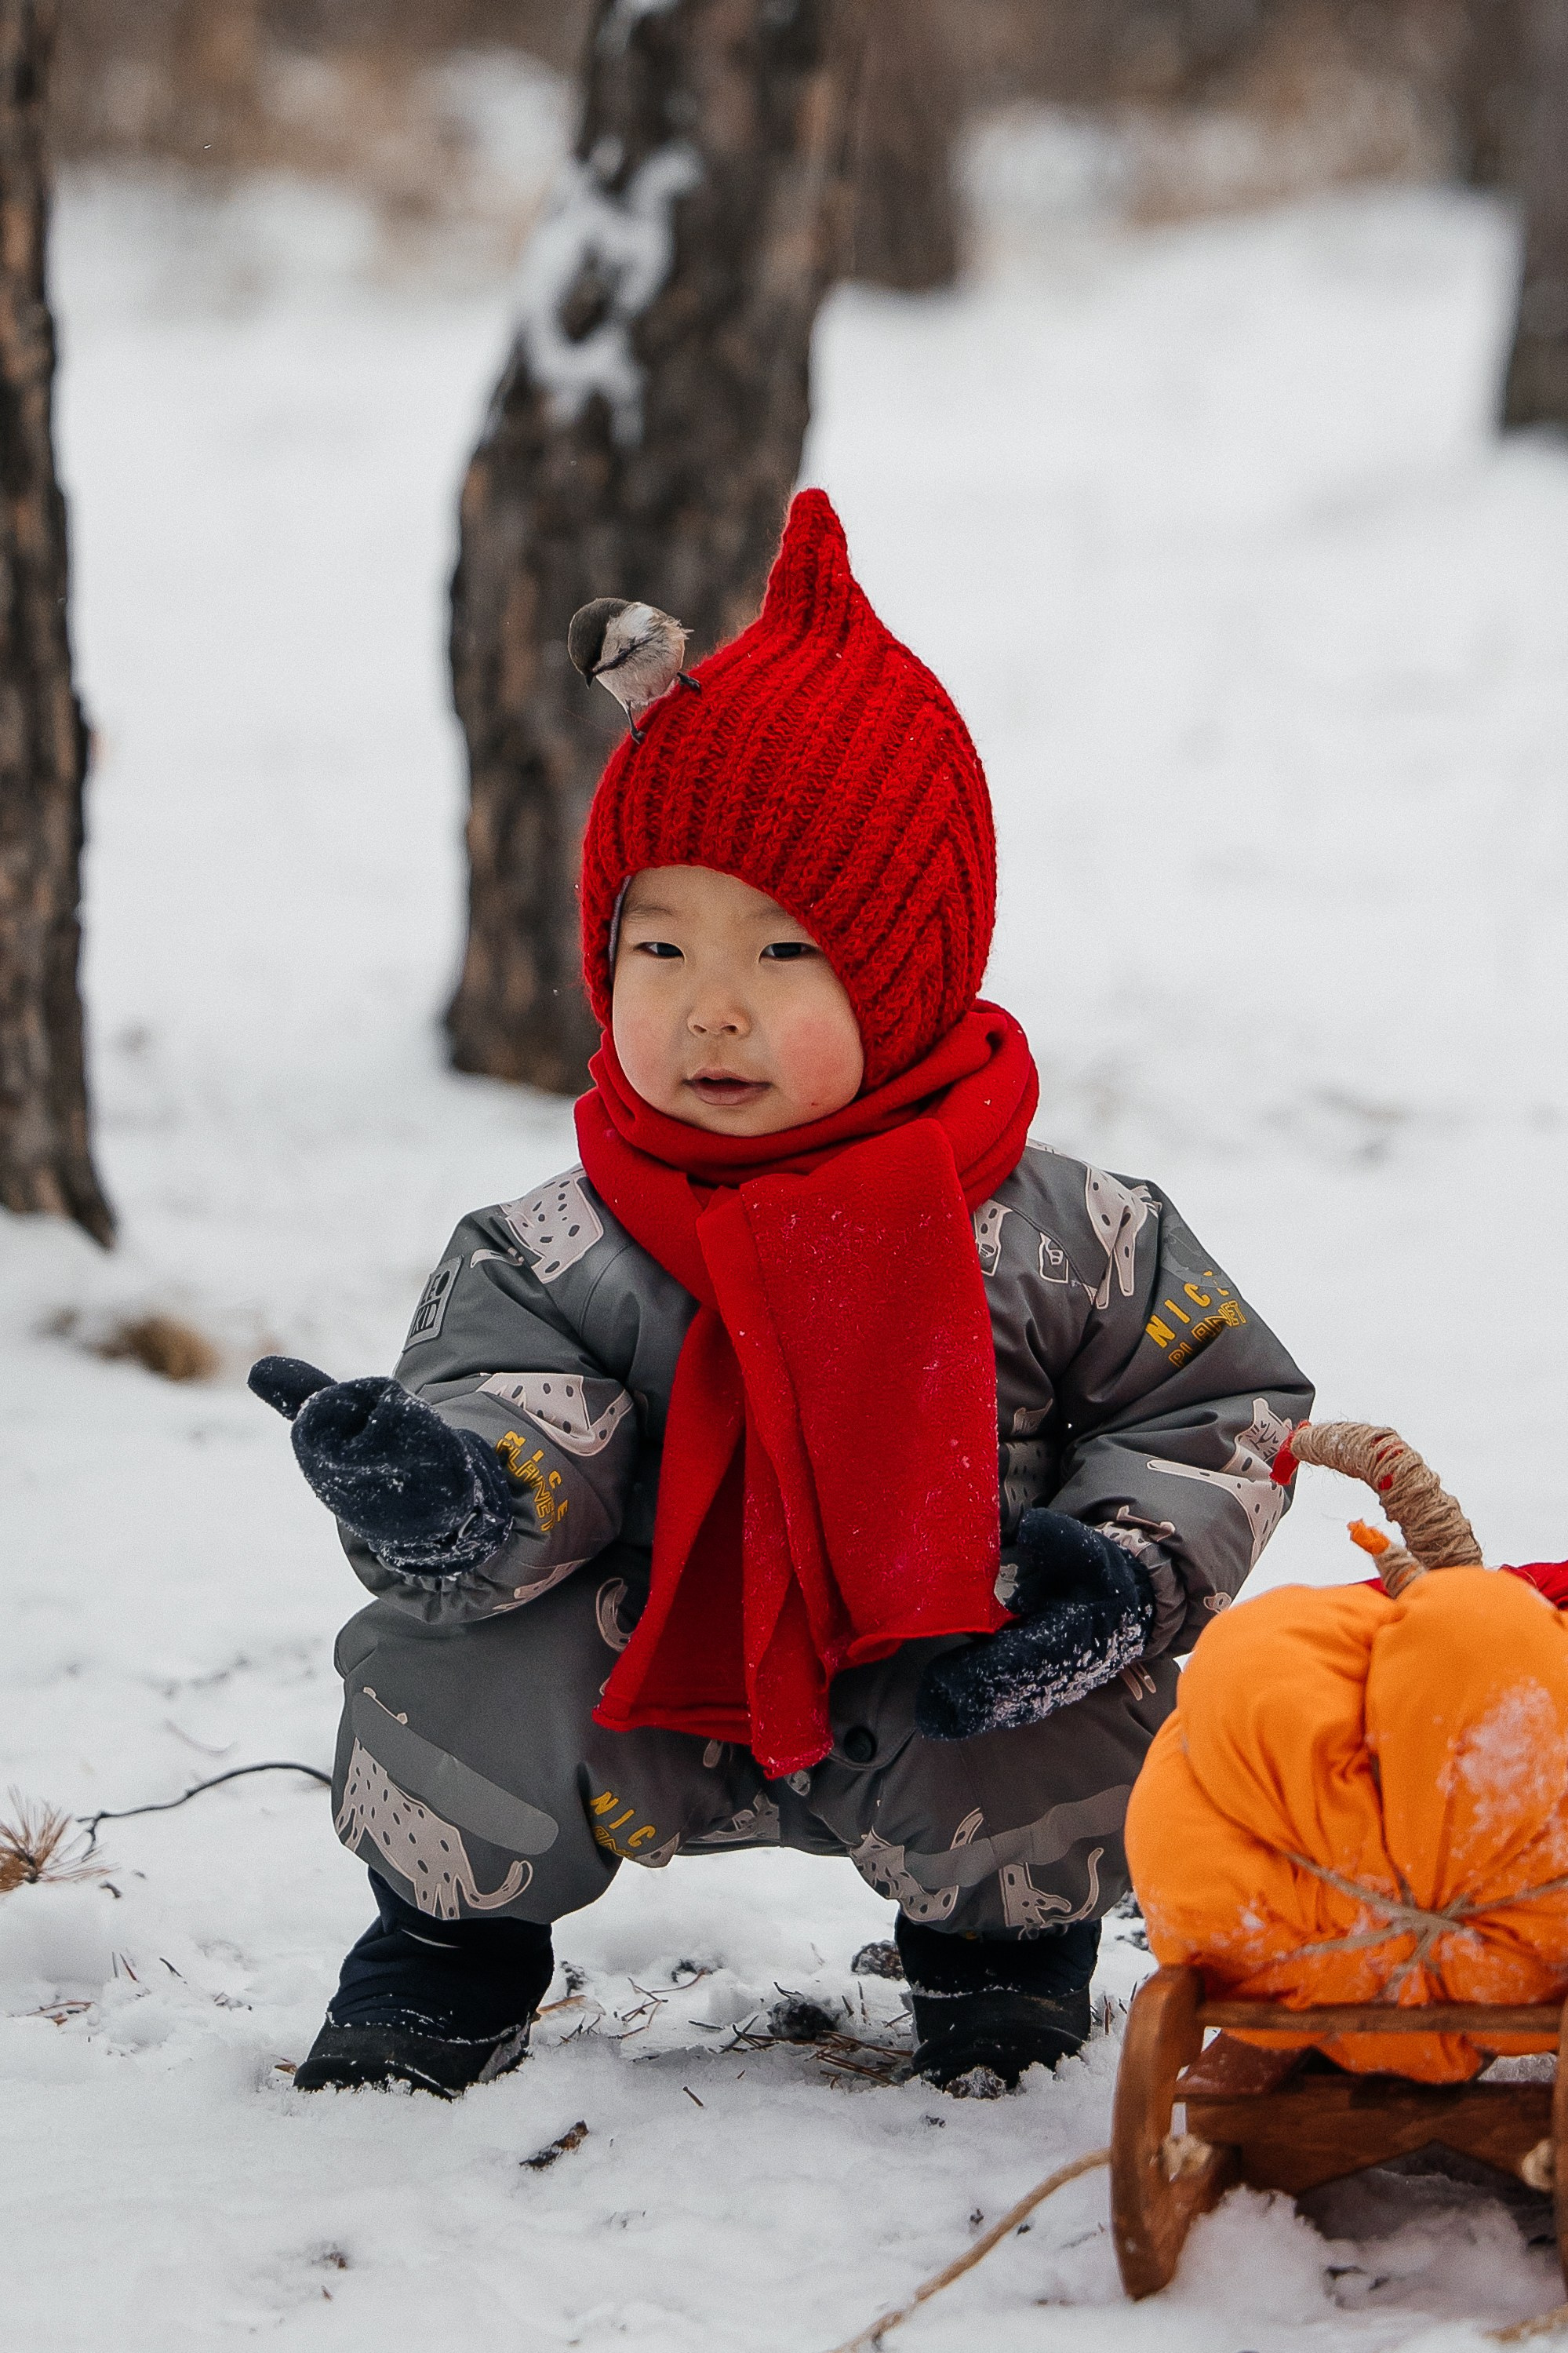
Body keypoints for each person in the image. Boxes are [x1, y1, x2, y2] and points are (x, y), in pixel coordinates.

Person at [252, 490, 1311, 2101]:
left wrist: (1120, 1571)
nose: (711, 1013)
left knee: (1048, 1690)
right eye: (658, 951)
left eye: (786, 955)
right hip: (635, 1667)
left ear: (903, 969)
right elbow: (526, 1414)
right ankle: (448, 1940)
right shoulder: (558, 1240)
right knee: (456, 1653)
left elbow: (1213, 1405)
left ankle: (1002, 1949)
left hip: (933, 1663)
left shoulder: (1063, 1230)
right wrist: (449, 1495)